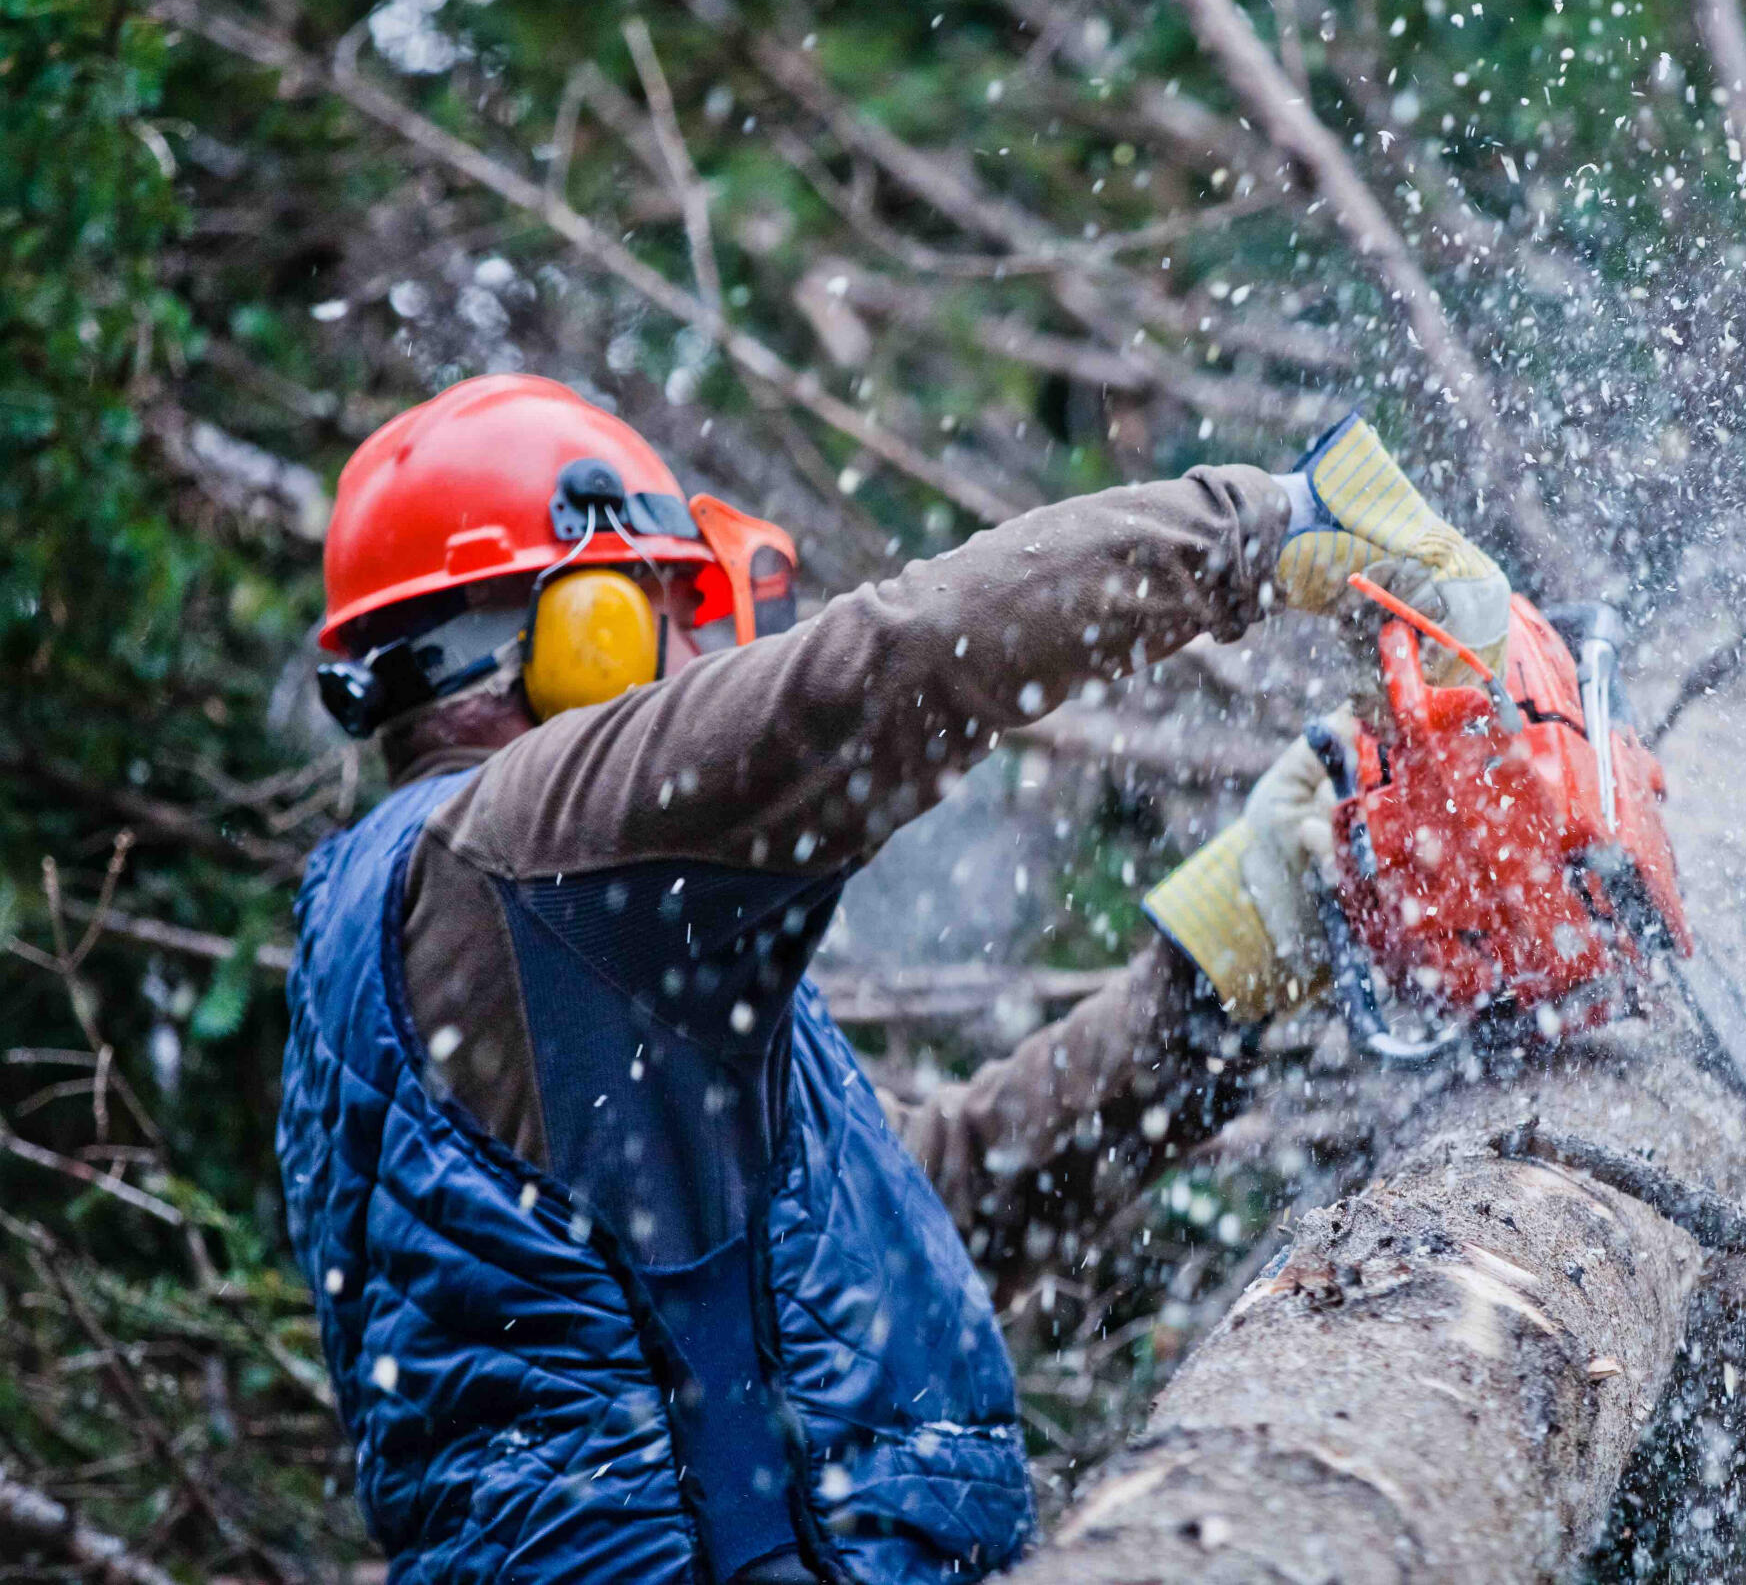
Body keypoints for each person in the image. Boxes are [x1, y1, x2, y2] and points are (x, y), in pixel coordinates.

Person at [278, 374, 1510, 1584]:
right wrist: (1265, 526)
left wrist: (1219, 967)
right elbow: (886, 670)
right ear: (578, 629)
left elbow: (917, 1222)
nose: (690, 655)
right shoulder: (527, 850)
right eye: (661, 606)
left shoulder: (513, 938)